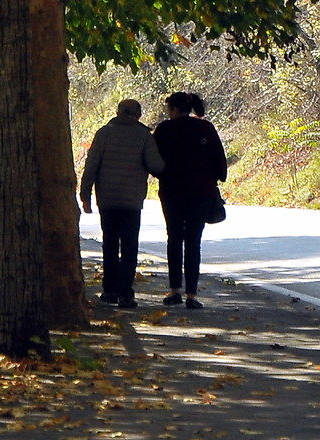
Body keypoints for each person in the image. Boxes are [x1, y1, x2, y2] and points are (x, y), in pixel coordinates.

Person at [78, 97, 165, 307]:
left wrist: (85, 194)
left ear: (118, 112)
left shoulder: (104, 133)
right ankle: (125, 293)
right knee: (129, 247)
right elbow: (157, 166)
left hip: (107, 199)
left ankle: (109, 291)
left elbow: (92, 165)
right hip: (132, 200)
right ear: (138, 114)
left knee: (109, 244)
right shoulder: (143, 135)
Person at [151, 91, 228, 310]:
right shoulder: (205, 128)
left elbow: (154, 160)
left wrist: (163, 175)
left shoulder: (165, 129)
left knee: (174, 238)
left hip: (172, 191)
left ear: (173, 109)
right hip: (200, 192)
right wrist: (214, 178)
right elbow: (219, 160)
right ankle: (191, 295)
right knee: (194, 241)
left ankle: (174, 290)